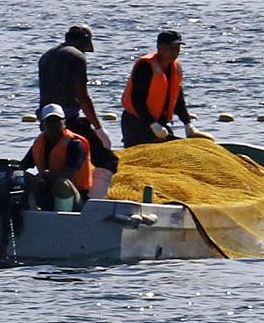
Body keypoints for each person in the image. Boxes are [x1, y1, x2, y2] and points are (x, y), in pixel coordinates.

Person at [38, 24, 119, 197]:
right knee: (108, 160)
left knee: (63, 163)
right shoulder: (76, 57)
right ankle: (94, 203)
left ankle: (62, 199)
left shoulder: (46, 56)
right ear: (84, 41)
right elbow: (83, 96)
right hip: (68, 121)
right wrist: (98, 128)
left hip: (46, 122)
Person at [120, 30, 213, 148]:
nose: (174, 52)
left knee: (173, 150)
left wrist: (187, 124)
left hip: (160, 123)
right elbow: (137, 100)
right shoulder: (146, 66)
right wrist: (152, 124)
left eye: (177, 48)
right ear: (159, 47)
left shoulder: (175, 67)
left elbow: (178, 98)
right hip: (136, 122)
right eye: (170, 48)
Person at [20, 104, 93, 211]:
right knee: (21, 178)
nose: (53, 125)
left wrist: (46, 175)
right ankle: (28, 214)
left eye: (57, 121)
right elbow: (23, 166)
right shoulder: (39, 143)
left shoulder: (74, 144)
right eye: (49, 121)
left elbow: (69, 173)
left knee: (61, 184)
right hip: (47, 192)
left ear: (64, 123)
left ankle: (62, 218)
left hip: (76, 197)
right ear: (42, 124)